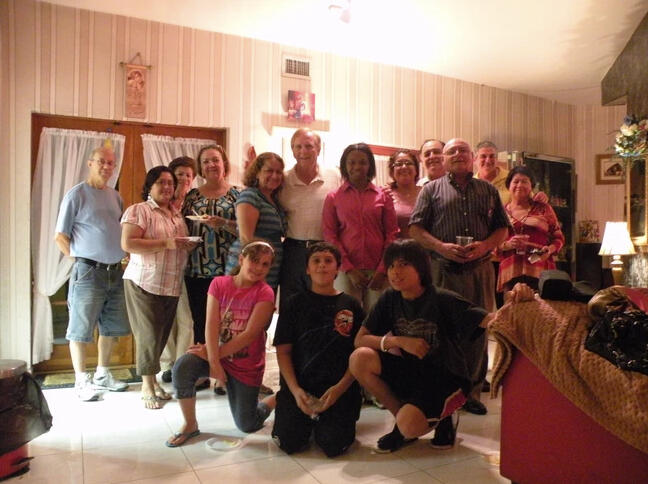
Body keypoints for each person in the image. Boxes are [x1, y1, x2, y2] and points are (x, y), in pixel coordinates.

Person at [349, 239, 534, 453]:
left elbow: (490, 320)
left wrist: (515, 301)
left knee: (410, 425)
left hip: (447, 378)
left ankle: (444, 418)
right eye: (391, 266)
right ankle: (403, 424)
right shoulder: (390, 298)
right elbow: (360, 340)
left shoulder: (442, 298)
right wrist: (398, 341)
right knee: (359, 358)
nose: (395, 272)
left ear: (420, 267)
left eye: (403, 264)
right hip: (413, 372)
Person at [409, 138, 510, 416]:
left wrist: (485, 246)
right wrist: (441, 247)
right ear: (444, 158)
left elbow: (502, 229)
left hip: (480, 270)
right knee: (443, 331)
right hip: (443, 270)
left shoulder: (488, 190)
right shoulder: (430, 190)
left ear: (472, 156)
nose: (458, 155)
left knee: (478, 329)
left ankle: (472, 392)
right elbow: (415, 228)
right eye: (451, 151)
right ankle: (445, 392)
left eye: (463, 150)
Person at [166, 241, 277, 447]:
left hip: (245, 365)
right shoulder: (219, 284)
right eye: (254, 261)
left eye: (265, 264)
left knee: (247, 424)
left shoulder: (266, 292)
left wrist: (212, 355)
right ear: (241, 259)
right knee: (183, 366)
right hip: (217, 355)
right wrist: (214, 361)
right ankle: (190, 424)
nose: (259, 268)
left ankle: (276, 399)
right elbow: (211, 324)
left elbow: (249, 335)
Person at [272, 242, 365, 457]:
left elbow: (358, 356)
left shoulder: (351, 305)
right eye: (316, 261)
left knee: (334, 446)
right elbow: (283, 351)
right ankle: (305, 418)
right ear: (307, 268)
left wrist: (339, 390)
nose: (322, 265)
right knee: (289, 443)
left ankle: (326, 421)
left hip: (338, 388)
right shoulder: (293, 304)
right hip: (300, 387)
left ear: (338, 268)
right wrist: (295, 391)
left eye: (328, 261)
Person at [54, 146, 130, 402]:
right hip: (88, 272)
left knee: (110, 328)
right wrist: (80, 261)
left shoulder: (115, 197)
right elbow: (60, 237)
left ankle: (103, 374)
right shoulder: (76, 195)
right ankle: (81, 381)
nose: (106, 166)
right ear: (90, 163)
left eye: (111, 163)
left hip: (115, 272)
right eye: (101, 162)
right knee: (80, 329)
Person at [121, 166, 198, 409]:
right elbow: (128, 243)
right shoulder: (139, 210)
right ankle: (147, 386)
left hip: (170, 284)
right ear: (150, 186)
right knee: (149, 336)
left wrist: (185, 245)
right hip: (144, 282)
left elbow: (176, 244)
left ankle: (154, 383)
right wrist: (167, 243)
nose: (166, 187)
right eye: (161, 182)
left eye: (170, 183)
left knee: (161, 336)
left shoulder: (176, 214)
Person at [183, 145, 240, 393]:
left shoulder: (237, 195)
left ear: (224, 163)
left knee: (228, 324)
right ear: (200, 167)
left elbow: (247, 229)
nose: (211, 165)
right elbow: (181, 226)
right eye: (206, 161)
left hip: (229, 271)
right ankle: (203, 371)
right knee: (201, 321)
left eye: (215, 160)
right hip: (197, 269)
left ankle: (224, 374)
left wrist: (224, 223)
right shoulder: (191, 196)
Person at [322, 143, 399, 309]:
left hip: (378, 270)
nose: (357, 167)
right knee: (346, 317)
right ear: (344, 165)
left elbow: (392, 234)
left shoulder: (383, 196)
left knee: (377, 317)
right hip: (346, 270)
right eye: (352, 162)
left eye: (363, 162)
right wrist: (349, 269)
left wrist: (382, 269)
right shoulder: (333, 197)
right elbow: (330, 236)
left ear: (370, 165)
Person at [278, 128, 340, 312]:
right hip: (293, 251)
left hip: (324, 250)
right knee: (291, 305)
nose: (303, 151)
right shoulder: (283, 179)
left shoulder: (334, 176)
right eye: (298, 147)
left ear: (318, 149)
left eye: (308, 146)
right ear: (292, 150)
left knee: (322, 305)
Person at [160, 156, 198, 384]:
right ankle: (167, 365)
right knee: (166, 320)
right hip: (163, 269)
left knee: (186, 320)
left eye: (188, 175)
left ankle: (181, 364)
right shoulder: (162, 202)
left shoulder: (194, 201)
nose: (184, 179)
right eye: (180, 174)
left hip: (187, 268)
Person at [497, 165, 565, 292]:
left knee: (541, 304)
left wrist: (549, 250)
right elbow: (493, 245)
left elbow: (559, 238)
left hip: (540, 271)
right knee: (512, 304)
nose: (519, 185)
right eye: (516, 181)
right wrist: (508, 245)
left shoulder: (543, 208)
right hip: (510, 272)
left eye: (525, 181)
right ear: (508, 186)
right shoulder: (501, 212)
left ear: (531, 186)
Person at [225, 153, 285, 293]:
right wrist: (258, 270)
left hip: (268, 267)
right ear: (257, 173)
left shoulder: (273, 199)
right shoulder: (250, 195)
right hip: (252, 268)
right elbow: (246, 238)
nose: (275, 176)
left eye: (279, 172)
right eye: (269, 171)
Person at [384, 150, 422, 239]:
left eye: (408, 163)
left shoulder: (426, 193)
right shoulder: (385, 194)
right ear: (392, 171)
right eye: (399, 164)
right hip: (395, 246)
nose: (404, 167)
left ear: (416, 170)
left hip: (425, 247)